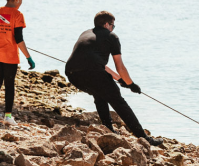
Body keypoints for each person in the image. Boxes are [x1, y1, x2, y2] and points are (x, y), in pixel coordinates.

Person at [65, 11, 162, 147]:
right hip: (91, 72)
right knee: (118, 101)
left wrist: (120, 80)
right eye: (112, 25)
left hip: (72, 74)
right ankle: (144, 137)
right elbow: (120, 66)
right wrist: (131, 84)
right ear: (106, 24)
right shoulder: (112, 37)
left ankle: (108, 129)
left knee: (100, 94)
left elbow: (97, 63)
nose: (113, 28)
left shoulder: (85, 33)